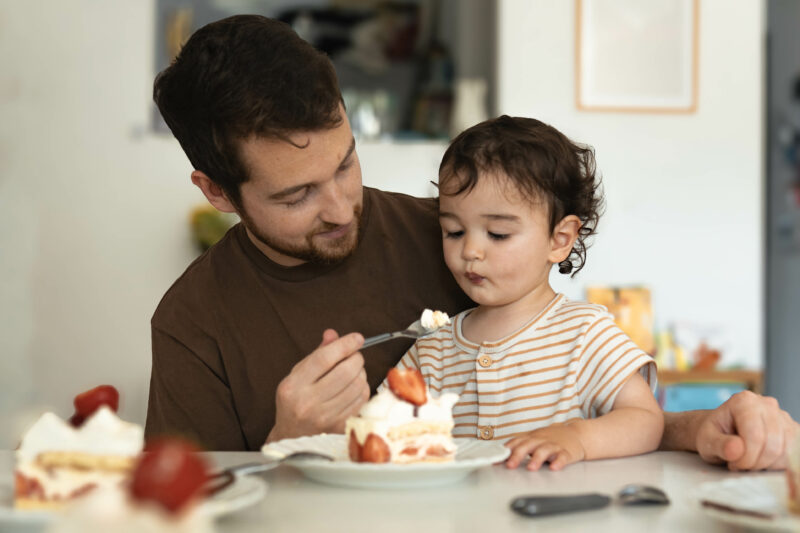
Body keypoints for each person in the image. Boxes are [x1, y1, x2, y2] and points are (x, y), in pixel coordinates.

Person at [145, 14, 798, 470]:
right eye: (296, 196)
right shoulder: (192, 321)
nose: (343, 206)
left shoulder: (455, 232)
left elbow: (575, 390)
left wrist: (699, 427)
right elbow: (184, 510)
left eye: (345, 163)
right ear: (218, 192)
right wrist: (286, 440)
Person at [391, 116, 663, 470]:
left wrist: (578, 438)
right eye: (454, 231)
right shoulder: (432, 348)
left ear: (559, 239)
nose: (471, 250)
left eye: (498, 234)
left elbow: (646, 420)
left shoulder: (585, 333)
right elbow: (384, 430)